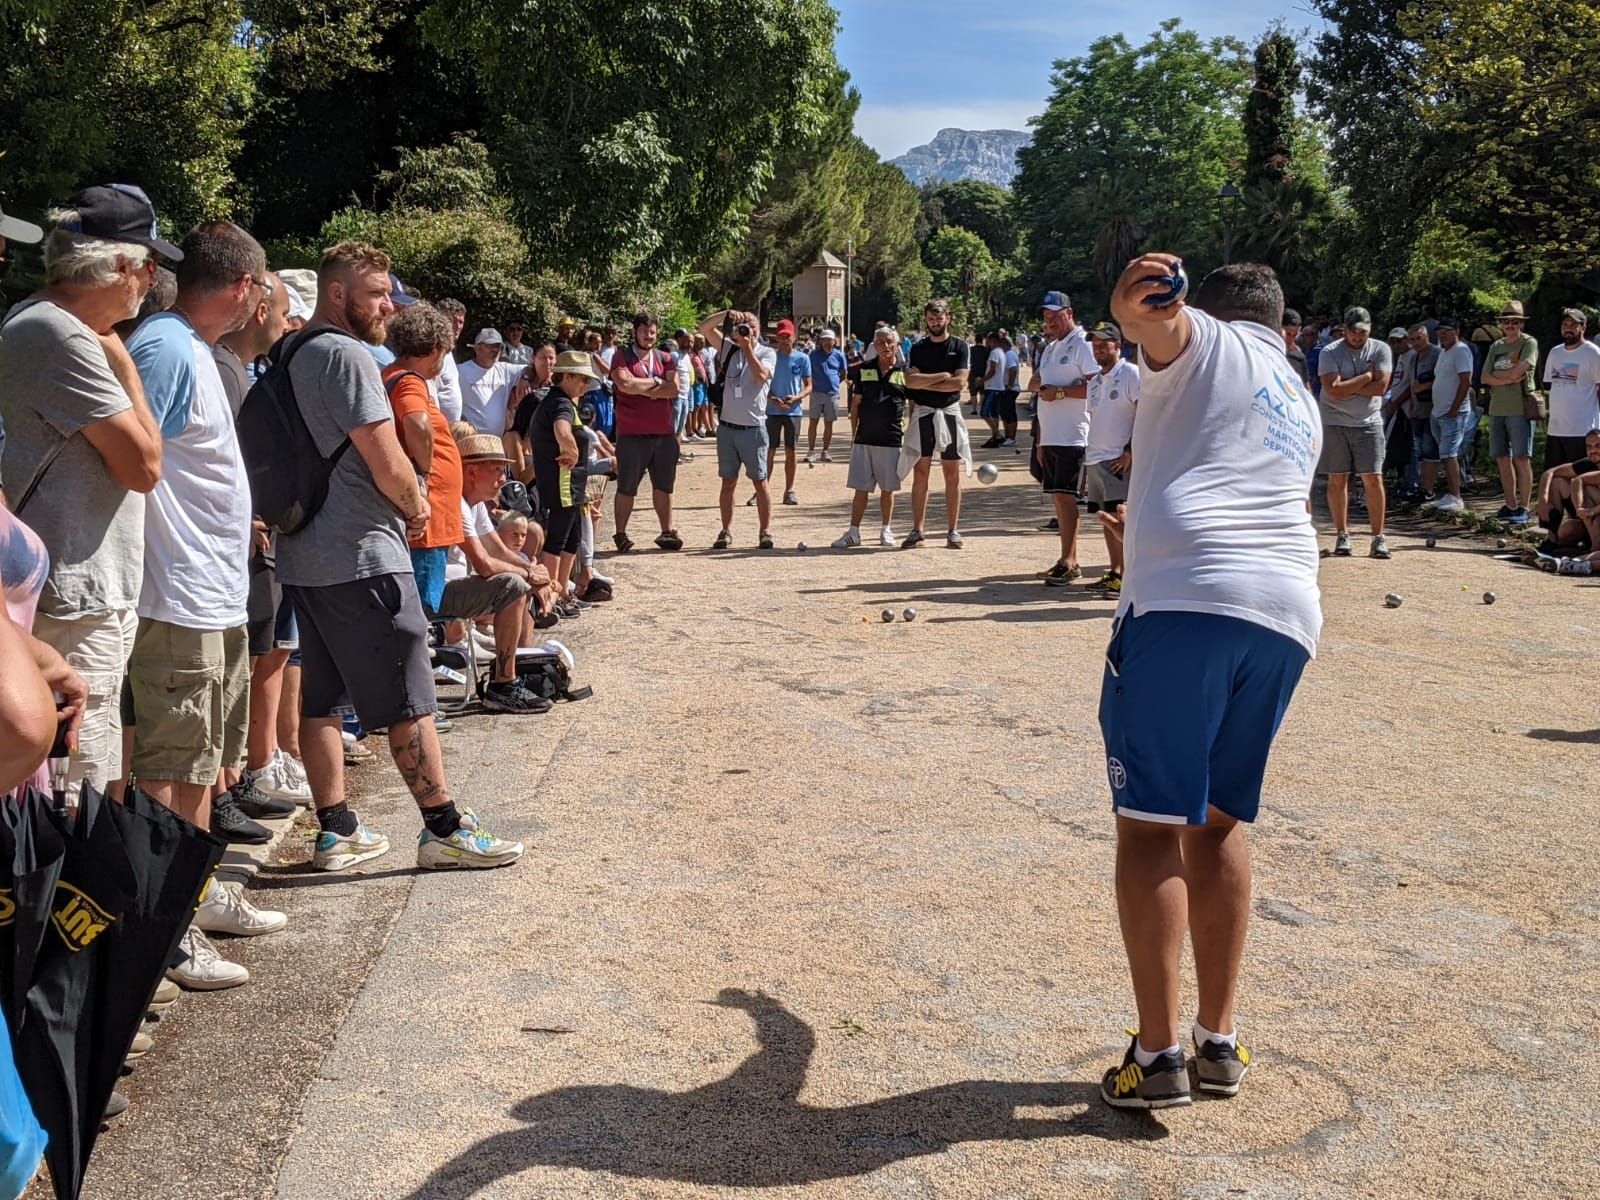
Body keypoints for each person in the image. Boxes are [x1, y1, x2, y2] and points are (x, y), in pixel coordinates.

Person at [1100, 254, 1322, 1110]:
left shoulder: (1215, 342)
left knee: (1152, 830)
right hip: (1286, 612)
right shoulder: (1295, 392)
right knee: (1221, 825)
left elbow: (1169, 329)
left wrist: (1137, 310)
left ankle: (1155, 1059)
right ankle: (1216, 1043)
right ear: (1285, 319)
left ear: (1222, 310)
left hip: (1189, 599)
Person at [277, 241, 524, 873]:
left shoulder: (291, 352)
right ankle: (443, 827)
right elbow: (387, 456)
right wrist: (416, 498)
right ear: (339, 296)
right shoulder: (347, 356)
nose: (390, 304)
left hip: (304, 553)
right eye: (378, 293)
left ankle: (335, 831)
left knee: (323, 697)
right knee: (411, 693)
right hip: (361, 552)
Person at [0, 185, 169, 791]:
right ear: (118, 266)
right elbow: (145, 466)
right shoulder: (60, 334)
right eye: (149, 263)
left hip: (82, 587)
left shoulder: (46, 324)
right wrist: (124, 365)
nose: (153, 279)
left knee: (85, 768)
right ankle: (68, 888)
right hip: (74, 596)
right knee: (81, 779)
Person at [528, 351, 615, 607]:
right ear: (565, 376)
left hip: (570, 484)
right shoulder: (561, 403)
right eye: (581, 378)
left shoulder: (563, 401)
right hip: (562, 483)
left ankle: (563, 592)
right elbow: (561, 429)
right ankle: (548, 598)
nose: (585, 385)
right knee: (558, 539)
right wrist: (572, 450)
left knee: (573, 538)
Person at [1316, 305, 1392, 559]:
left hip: (1369, 422)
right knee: (1337, 478)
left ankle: (1378, 537)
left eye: (1363, 332)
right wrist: (1365, 377)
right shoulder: (1329, 352)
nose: (1358, 337)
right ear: (1345, 330)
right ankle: (1342, 534)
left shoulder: (1381, 349)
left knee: (1373, 478)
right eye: (1353, 332)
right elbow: (1333, 390)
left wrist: (1349, 385)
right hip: (1334, 421)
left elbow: (1381, 387)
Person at [699, 308, 777, 549]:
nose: (746, 329)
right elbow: (704, 329)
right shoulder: (728, 349)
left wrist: (748, 347)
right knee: (728, 482)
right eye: (743, 325)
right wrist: (727, 315)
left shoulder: (767, 352)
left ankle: (765, 531)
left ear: (759, 330)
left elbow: (761, 375)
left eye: (751, 325)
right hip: (727, 428)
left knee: (760, 482)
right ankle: (725, 530)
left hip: (753, 428)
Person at [897, 299, 971, 549]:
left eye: (939, 318)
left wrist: (925, 381)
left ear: (947, 318)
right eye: (931, 318)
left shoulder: (960, 346)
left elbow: (959, 383)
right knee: (921, 473)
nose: (935, 322)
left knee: (952, 473)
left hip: (949, 413)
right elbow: (911, 382)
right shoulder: (918, 348)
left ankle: (953, 530)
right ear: (926, 319)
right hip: (924, 413)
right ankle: (917, 529)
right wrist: (941, 376)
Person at [1033, 291, 1097, 578]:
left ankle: (1070, 561)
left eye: (1056, 317)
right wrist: (1040, 439)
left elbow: (1096, 387)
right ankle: (1066, 558)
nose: (1051, 323)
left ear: (1069, 314)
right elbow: (1038, 384)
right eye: (1047, 318)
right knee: (1058, 497)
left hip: (1074, 434)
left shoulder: (1083, 344)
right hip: (1052, 435)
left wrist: (1060, 392)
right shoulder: (1050, 348)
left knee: (1067, 496)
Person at [609, 312, 683, 552]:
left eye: (652, 332)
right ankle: (620, 533)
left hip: (663, 435)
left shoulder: (665, 357)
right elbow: (624, 384)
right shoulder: (622, 356)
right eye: (644, 331)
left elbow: (674, 390)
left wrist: (642, 387)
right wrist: (656, 384)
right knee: (627, 486)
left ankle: (666, 531)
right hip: (632, 435)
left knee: (664, 486)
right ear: (635, 332)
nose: (648, 336)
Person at [831, 326, 906, 548]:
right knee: (860, 488)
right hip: (864, 438)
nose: (885, 346)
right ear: (874, 345)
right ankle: (853, 532)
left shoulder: (906, 373)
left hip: (892, 439)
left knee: (888, 489)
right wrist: (855, 433)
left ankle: (886, 529)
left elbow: (913, 406)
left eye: (889, 342)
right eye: (880, 342)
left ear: (896, 345)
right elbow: (856, 404)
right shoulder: (864, 369)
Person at [1082, 322, 1138, 592]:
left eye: (1105, 344)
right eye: (1095, 345)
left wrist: (1130, 450)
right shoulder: (1094, 382)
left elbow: (1145, 414)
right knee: (1105, 518)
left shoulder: (1131, 374)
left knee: (1122, 516)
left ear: (1118, 344)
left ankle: (1129, 576)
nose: (1099, 349)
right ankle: (1115, 571)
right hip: (1096, 458)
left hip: (1118, 458)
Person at [1481, 301, 1539, 524]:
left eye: (1515, 321)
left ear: (1521, 323)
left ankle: (1524, 508)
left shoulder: (1529, 343)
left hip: (1519, 409)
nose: (1510, 325)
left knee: (1522, 458)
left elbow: (1520, 371)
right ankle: (1510, 504)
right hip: (1497, 410)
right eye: (1506, 321)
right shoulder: (1496, 346)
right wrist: (1506, 378)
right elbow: (1484, 377)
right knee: (1502, 459)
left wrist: (1499, 378)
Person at [1422, 318, 1474, 513]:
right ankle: (1450, 494)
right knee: (1445, 455)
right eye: (1440, 331)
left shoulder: (1461, 351)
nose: (1442, 334)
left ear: (1457, 331)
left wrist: (1454, 408)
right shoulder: (1444, 352)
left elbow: (1465, 381)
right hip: (1438, 412)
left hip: (1453, 413)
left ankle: (1456, 497)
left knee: (1449, 454)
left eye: (1447, 331)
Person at [1542, 308, 1600, 474]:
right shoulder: (1555, 352)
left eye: (1573, 325)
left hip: (1583, 430)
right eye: (1564, 324)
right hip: (1556, 429)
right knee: (1555, 479)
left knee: (1582, 481)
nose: (1568, 328)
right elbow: (1550, 386)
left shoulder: (1593, 353)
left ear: (1583, 327)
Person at [760, 320, 811, 506]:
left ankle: (789, 490)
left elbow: (809, 385)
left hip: (793, 411)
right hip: (772, 411)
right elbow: (761, 382)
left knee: (791, 451)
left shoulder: (802, 358)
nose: (784, 339)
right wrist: (771, 398)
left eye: (787, 336)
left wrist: (797, 398)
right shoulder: (770, 357)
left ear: (794, 336)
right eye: (781, 336)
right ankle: (762, 490)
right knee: (769, 450)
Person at [457, 327, 524, 434]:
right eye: (490, 345)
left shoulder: (506, 370)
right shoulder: (460, 371)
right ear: (477, 348)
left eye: (498, 346)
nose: (495, 349)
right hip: (470, 441)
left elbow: (533, 368)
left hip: (497, 443)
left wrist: (525, 377)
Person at [805, 326, 847, 463]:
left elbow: (843, 373)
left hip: (832, 394)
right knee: (813, 422)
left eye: (830, 340)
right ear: (820, 341)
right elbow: (807, 372)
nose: (827, 343)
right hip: (816, 393)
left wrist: (834, 384)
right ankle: (811, 451)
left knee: (829, 424)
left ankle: (825, 451)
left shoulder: (839, 355)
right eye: (824, 340)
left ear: (834, 341)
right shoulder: (813, 355)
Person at [433, 298, 467, 423]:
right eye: (453, 321)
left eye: (461, 322)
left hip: (451, 429)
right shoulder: (433, 352)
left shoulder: (448, 352)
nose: (458, 327)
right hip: (437, 428)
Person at [1281, 308, 1310, 386]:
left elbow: (1306, 387)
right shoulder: (1264, 352)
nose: (1290, 340)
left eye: (1294, 335)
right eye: (1288, 334)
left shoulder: (1299, 357)